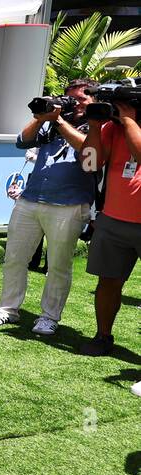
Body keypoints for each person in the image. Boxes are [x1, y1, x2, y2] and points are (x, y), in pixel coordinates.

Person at [0, 81, 96, 336]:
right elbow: (22, 141)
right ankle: (7, 309)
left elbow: (88, 150)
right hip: (31, 198)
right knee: (14, 258)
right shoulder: (53, 120)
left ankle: (49, 317)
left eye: (80, 98)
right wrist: (42, 116)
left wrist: (58, 122)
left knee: (57, 265)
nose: (74, 103)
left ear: (94, 101)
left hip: (70, 203)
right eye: (70, 98)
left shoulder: (100, 125)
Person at [78, 87, 141, 358]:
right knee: (108, 281)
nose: (115, 110)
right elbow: (91, 164)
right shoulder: (111, 129)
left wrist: (127, 120)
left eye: (121, 105)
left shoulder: (125, 125)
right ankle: (103, 335)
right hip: (114, 219)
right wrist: (94, 127)